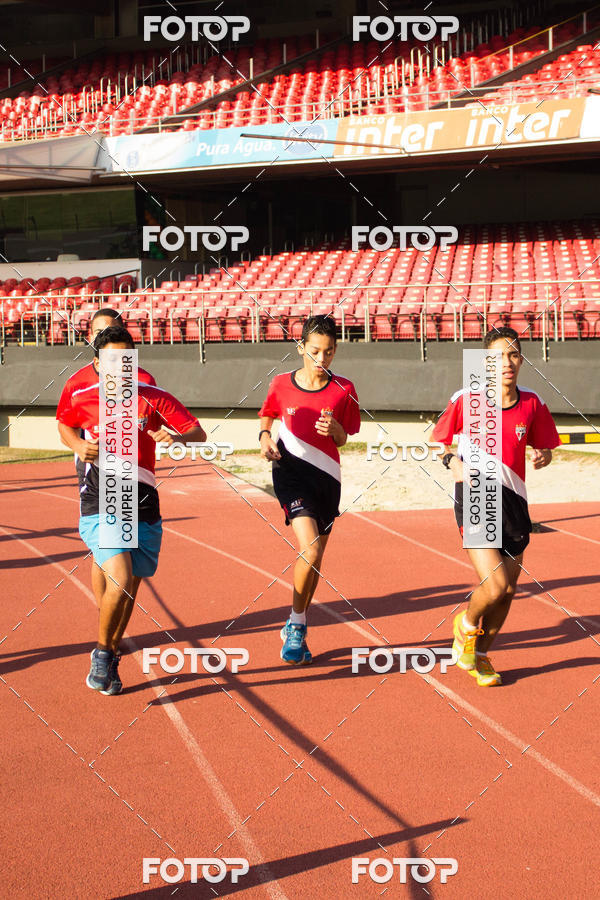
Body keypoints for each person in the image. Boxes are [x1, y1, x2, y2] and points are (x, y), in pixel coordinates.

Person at [57, 325, 206, 694]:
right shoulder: (84, 394)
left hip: (144, 498)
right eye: (111, 360)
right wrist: (78, 444)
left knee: (131, 584)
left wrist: (176, 436)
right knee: (121, 578)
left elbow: (198, 432)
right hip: (104, 494)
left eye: (126, 359)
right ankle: (103, 653)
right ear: (97, 363)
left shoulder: (154, 397)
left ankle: (110, 652)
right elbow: (64, 423)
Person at [433, 326, 561, 686]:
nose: (507, 362)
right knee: (494, 585)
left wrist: (543, 456)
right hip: (476, 494)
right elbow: (441, 442)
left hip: (515, 501)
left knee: (508, 591)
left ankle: (481, 656)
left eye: (514, 354)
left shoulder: (532, 403)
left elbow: (545, 446)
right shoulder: (467, 399)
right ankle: (467, 625)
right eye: (498, 356)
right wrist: (451, 462)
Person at [259, 315, 361, 665]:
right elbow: (267, 415)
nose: (322, 358)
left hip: (327, 478)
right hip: (289, 473)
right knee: (311, 550)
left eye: (329, 352)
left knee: (314, 560)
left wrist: (334, 428)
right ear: (301, 347)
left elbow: (346, 437)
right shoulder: (281, 383)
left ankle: (295, 622)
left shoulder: (344, 388)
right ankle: (299, 626)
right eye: (315, 350)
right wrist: (263, 437)